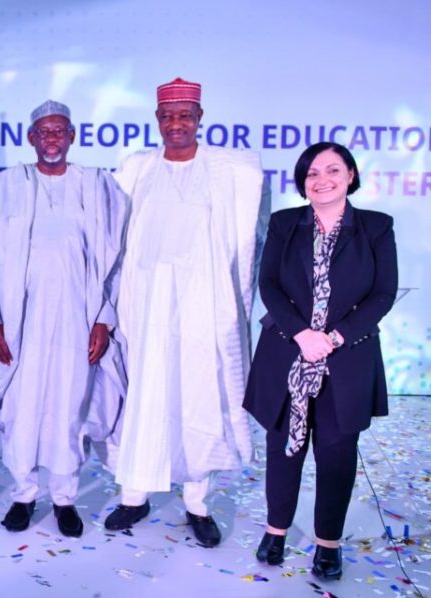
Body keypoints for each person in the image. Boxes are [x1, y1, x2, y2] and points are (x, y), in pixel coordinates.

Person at [105, 77, 270, 547]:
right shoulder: (137, 169)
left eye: (185, 115)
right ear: (157, 120)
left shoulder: (227, 170)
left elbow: (248, 232)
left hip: (202, 303)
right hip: (148, 304)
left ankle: (197, 504)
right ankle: (134, 496)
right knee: (148, 396)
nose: (176, 123)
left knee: (199, 397)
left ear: (200, 118)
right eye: (168, 116)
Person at [0, 101, 128, 538]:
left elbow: (115, 260)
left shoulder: (95, 185)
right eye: (44, 131)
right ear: (31, 138)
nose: (52, 139)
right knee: (22, 409)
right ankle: (23, 495)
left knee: (68, 408)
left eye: (60, 131)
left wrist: (104, 320)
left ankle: (64, 499)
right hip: (21, 322)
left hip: (77, 320)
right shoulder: (9, 184)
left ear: (72, 136)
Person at [244, 142, 397, 580]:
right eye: (312, 173)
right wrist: (302, 334)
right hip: (286, 351)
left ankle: (328, 544)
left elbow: (383, 293)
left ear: (351, 175)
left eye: (332, 170)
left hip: (347, 357)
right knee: (282, 449)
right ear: (302, 181)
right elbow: (269, 285)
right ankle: (275, 531)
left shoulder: (376, 227)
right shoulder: (284, 223)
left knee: (336, 451)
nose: (321, 180)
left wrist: (332, 338)